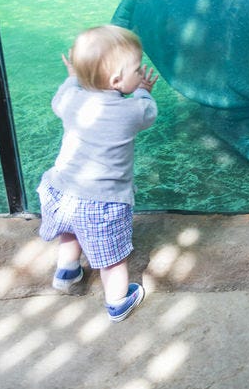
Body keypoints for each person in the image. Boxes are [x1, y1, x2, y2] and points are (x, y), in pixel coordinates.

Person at [37, 24, 158, 322]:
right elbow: (148, 112)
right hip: (102, 204)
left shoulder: (70, 100)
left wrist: (74, 77)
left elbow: (61, 97)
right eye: (136, 70)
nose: (140, 72)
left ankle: (67, 271)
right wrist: (143, 91)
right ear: (117, 80)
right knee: (113, 258)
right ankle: (118, 301)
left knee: (70, 229)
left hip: (60, 191)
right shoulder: (131, 112)